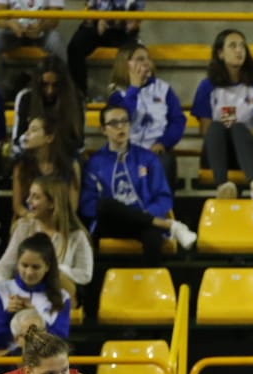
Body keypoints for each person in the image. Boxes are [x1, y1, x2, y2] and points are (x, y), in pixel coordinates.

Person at [79, 103, 196, 264]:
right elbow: (87, 204)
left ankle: (152, 284)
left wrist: (143, 215)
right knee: (104, 205)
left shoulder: (147, 159)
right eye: (114, 123)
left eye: (125, 121)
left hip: (143, 222)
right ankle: (171, 226)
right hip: (110, 223)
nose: (121, 127)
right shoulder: (95, 163)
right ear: (103, 130)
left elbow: (163, 198)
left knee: (153, 236)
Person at [190, 28, 253, 200]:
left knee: (238, 128)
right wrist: (226, 130)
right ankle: (223, 187)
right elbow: (205, 130)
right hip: (218, 152)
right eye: (232, 46)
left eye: (242, 46)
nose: (239, 50)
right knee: (217, 127)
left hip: (250, 149)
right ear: (220, 53)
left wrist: (247, 133)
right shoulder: (207, 87)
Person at [0, 175, 93, 302]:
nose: (28, 201)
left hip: (57, 295)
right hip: (23, 292)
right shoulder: (24, 227)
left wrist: (57, 269)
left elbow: (85, 274)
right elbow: (6, 266)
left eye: (36, 197)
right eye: (30, 195)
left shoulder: (77, 235)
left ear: (52, 203)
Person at [66, 0, 144, 96]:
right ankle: (79, 93)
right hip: (96, 27)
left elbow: (135, 21)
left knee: (136, 52)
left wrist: (130, 24)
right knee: (74, 47)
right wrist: (97, 19)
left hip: (119, 32)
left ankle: (129, 93)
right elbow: (90, 5)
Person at [106, 42, 186, 189]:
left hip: (158, 150)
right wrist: (134, 89)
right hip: (127, 150)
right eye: (139, 59)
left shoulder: (163, 89)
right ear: (125, 64)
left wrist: (163, 142)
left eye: (147, 58)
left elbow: (178, 121)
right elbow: (121, 121)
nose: (146, 63)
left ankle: (160, 209)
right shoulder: (116, 93)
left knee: (163, 162)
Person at [0, 233, 71, 352]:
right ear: (17, 263)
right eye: (24, 265)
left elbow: (60, 340)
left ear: (47, 266)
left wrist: (35, 317)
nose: (29, 272)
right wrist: (9, 316)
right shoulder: (0, 290)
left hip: (45, 361)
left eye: (35, 267)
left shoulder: (62, 297)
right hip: (6, 361)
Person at [9, 56, 84, 160]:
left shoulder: (76, 98)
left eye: (56, 85)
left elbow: (79, 142)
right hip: (31, 154)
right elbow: (17, 141)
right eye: (44, 84)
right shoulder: (25, 97)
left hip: (64, 156)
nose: (50, 90)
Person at [10, 113, 81, 223]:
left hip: (61, 221)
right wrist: (33, 218)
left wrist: (53, 221)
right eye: (27, 129)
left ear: (49, 137)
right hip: (30, 219)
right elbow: (18, 206)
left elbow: (72, 207)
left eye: (33, 130)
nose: (26, 134)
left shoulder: (71, 165)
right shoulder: (21, 164)